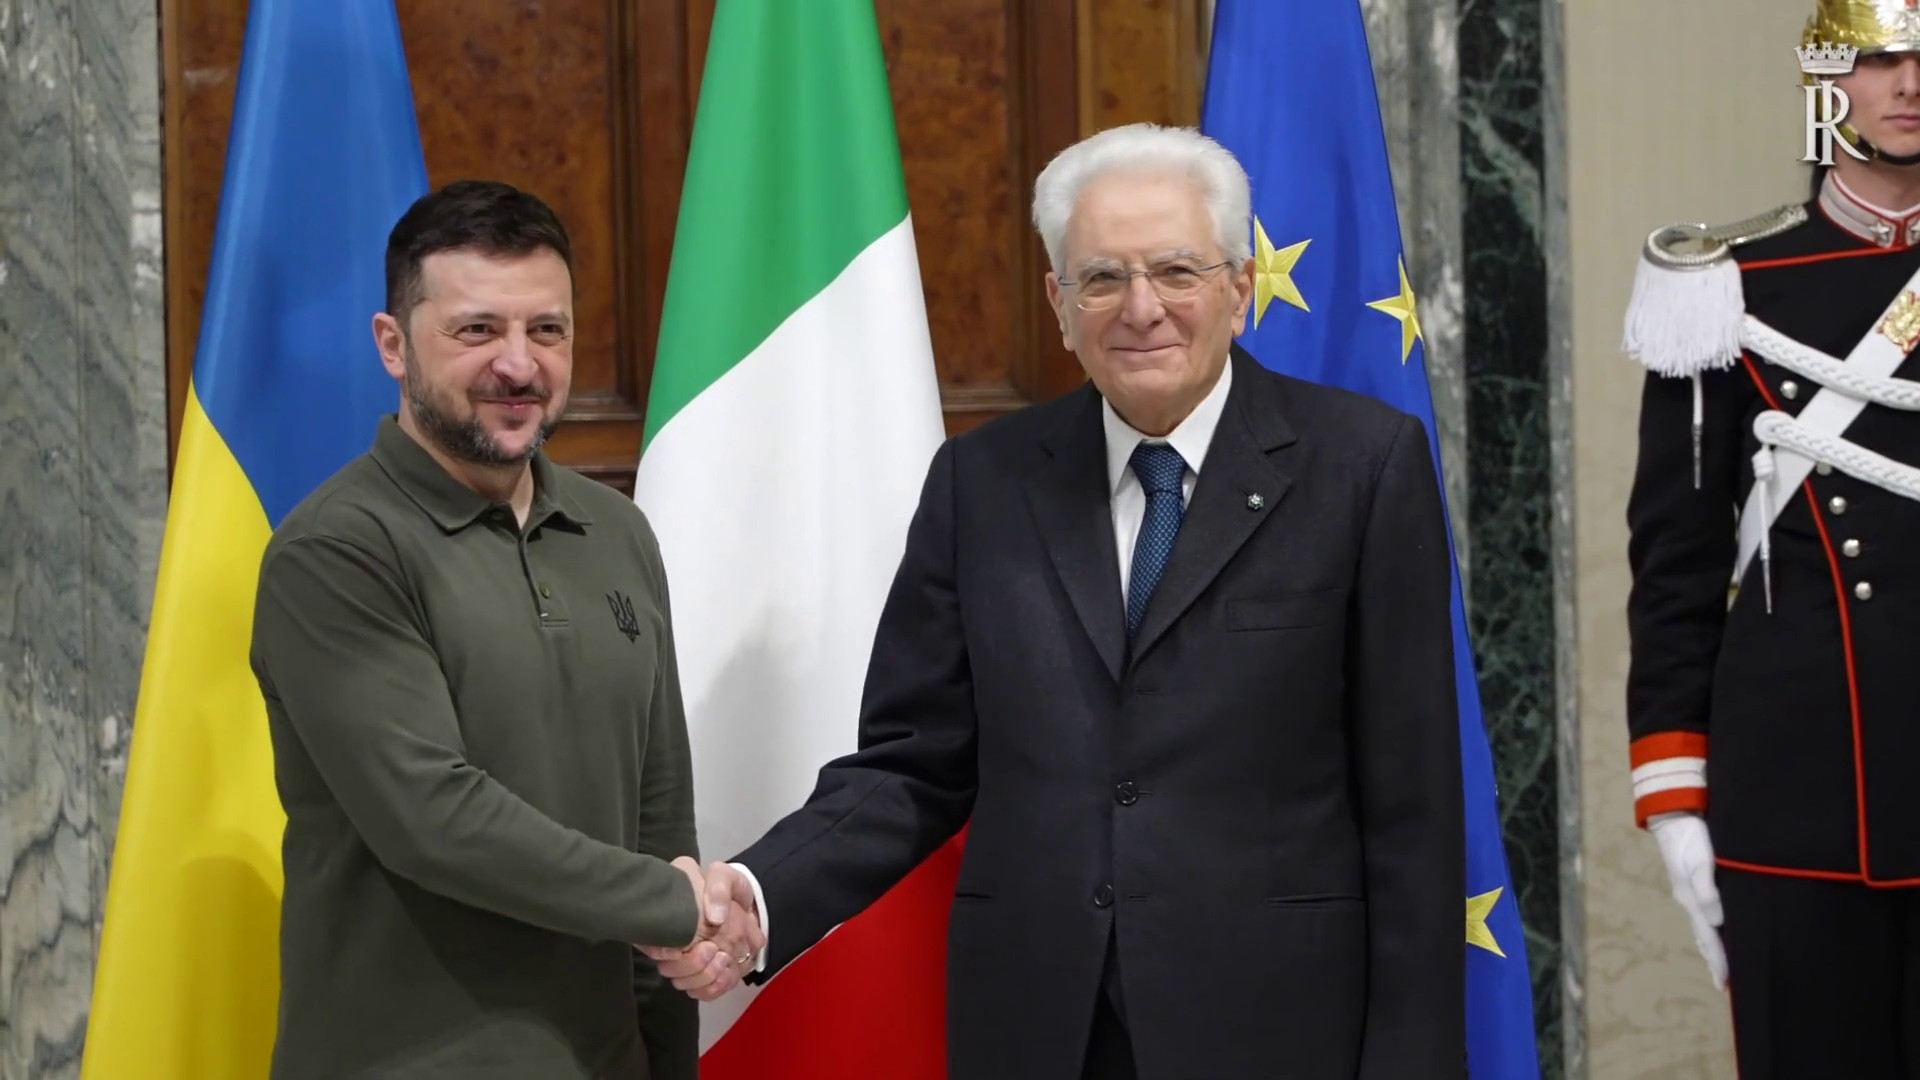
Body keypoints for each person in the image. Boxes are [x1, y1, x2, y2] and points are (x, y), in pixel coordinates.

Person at [642, 124, 1467, 1079]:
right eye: (1103, 278)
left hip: (1278, 1028)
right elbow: (914, 762)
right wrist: (760, 895)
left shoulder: (1361, 466)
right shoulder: (983, 483)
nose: (1142, 309)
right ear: (1060, 306)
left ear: (1240, 289)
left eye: (1177, 271)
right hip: (1042, 1027)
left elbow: (1412, 808)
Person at [248, 179, 760, 1080]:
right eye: (478, 330)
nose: (519, 366)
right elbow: (433, 818)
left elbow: (658, 815)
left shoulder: (616, 531)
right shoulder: (335, 551)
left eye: (547, 330)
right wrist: (676, 904)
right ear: (393, 345)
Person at [1620, 4, 1920, 1074]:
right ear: (1825, 83)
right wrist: (1676, 803)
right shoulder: (1721, 285)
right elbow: (1677, 569)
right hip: (1801, 796)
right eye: (1878, 58)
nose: (1908, 84)